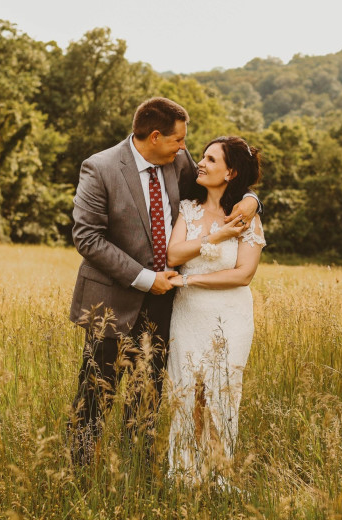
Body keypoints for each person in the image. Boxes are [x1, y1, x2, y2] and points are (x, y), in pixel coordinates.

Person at [68, 98, 261, 465]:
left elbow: (225, 184)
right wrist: (145, 279)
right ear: (155, 136)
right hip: (110, 300)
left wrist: (252, 200)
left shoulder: (177, 162)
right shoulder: (101, 167)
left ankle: (135, 473)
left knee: (147, 398)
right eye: (179, 141)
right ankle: (79, 474)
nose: (186, 149)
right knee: (94, 396)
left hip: (165, 304)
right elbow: (87, 238)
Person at [165, 136, 266, 483]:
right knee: (190, 393)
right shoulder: (189, 209)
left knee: (220, 394)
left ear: (230, 172)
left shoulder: (246, 215)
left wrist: (191, 282)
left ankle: (219, 475)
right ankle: (186, 474)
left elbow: (244, 274)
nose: (201, 164)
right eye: (203, 157)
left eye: (210, 159)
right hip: (188, 314)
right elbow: (174, 256)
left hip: (229, 315)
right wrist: (218, 236)